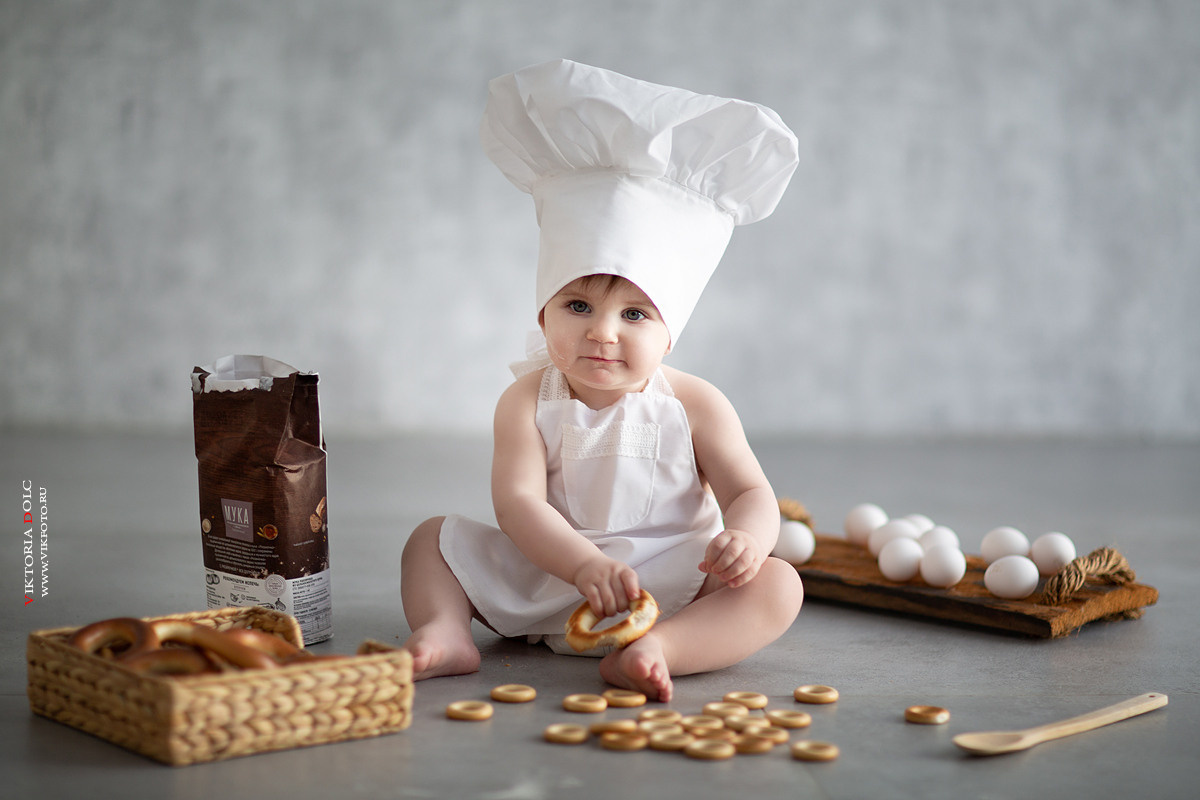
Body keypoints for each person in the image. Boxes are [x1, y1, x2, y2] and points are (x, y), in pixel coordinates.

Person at [400, 59, 804, 702]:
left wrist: (747, 540)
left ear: (671, 334)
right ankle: (446, 630)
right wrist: (582, 564)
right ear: (543, 312)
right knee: (430, 540)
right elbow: (520, 506)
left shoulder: (696, 403)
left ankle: (658, 647)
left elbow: (750, 489)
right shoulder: (526, 401)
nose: (602, 333)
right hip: (552, 569)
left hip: (672, 577)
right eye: (578, 306)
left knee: (781, 585)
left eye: (635, 314)